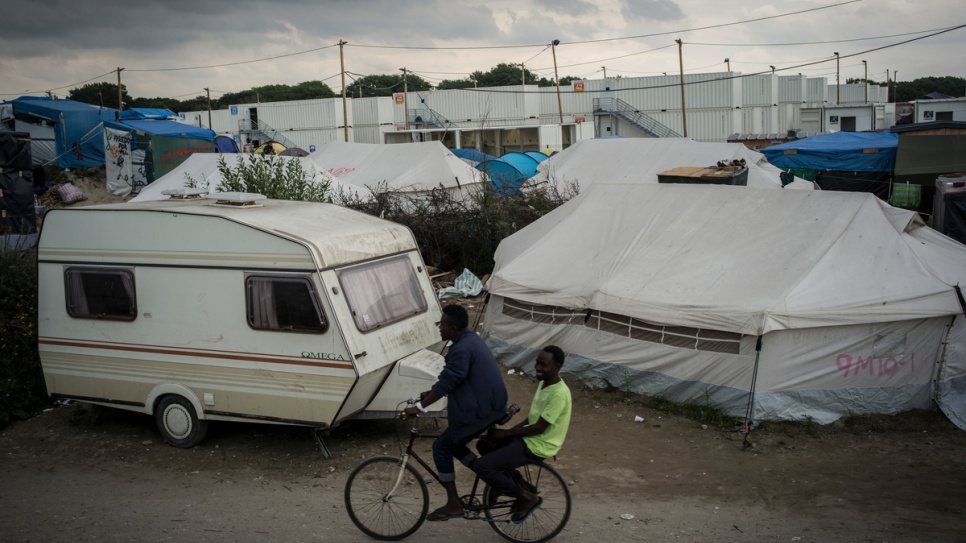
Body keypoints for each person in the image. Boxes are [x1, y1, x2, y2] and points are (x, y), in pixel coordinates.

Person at [401, 304, 508, 521]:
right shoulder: (470, 340)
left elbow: (448, 382)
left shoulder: (461, 349)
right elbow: (452, 379)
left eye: (443, 324)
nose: (439, 327)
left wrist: (419, 407)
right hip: (490, 406)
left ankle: (453, 504)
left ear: (454, 327)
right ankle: (495, 479)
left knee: (441, 447)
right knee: (454, 445)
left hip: (480, 411)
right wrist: (429, 393)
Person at [473, 345, 571, 524]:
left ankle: (526, 497)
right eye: (537, 363)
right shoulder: (544, 383)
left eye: (544, 365)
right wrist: (506, 434)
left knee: (482, 467)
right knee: (485, 444)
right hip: (530, 438)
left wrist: (508, 434)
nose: (538, 368)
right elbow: (531, 419)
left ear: (557, 366)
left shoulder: (559, 394)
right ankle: (523, 486)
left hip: (538, 444)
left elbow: (539, 427)